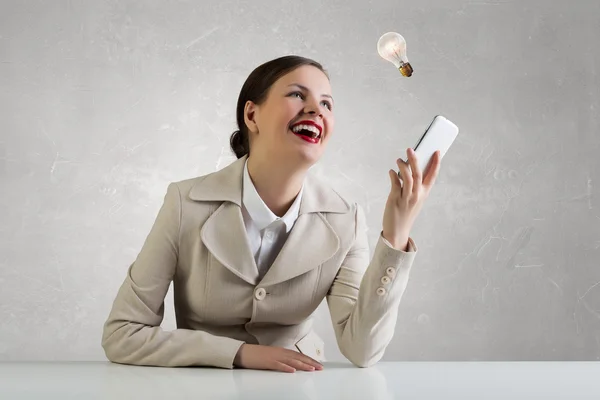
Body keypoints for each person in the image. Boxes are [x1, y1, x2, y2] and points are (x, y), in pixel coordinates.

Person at [101, 55, 441, 373]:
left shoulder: (345, 219)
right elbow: (122, 334)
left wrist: (396, 234)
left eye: (326, 103)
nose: (316, 110)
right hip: (206, 386)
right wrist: (239, 354)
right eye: (297, 94)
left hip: (298, 385)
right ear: (252, 116)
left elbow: (363, 350)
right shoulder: (184, 202)